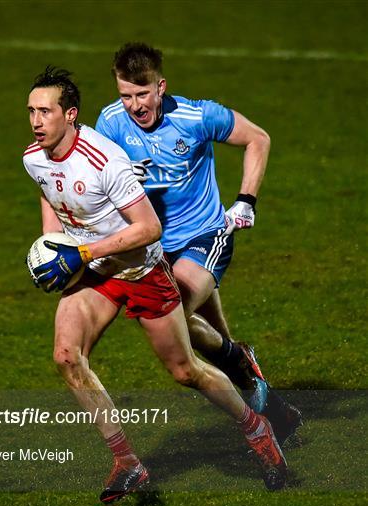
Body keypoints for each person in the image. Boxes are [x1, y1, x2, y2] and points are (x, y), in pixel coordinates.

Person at [23, 66, 288, 502]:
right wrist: (53, 243)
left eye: (45, 111)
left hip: (142, 271)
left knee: (187, 371)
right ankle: (127, 462)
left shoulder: (105, 161)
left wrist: (82, 252)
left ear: (70, 115)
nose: (36, 121)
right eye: (31, 111)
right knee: (67, 357)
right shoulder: (34, 155)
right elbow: (47, 189)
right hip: (97, 274)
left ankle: (256, 428)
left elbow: (149, 230)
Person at [95, 43, 302, 446]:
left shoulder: (196, 116)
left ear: (160, 87)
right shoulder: (110, 122)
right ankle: (276, 411)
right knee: (214, 345)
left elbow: (258, 138)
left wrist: (246, 200)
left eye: (142, 94)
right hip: (154, 248)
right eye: (126, 96)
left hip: (205, 237)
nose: (135, 106)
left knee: (165, 314)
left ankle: (246, 382)